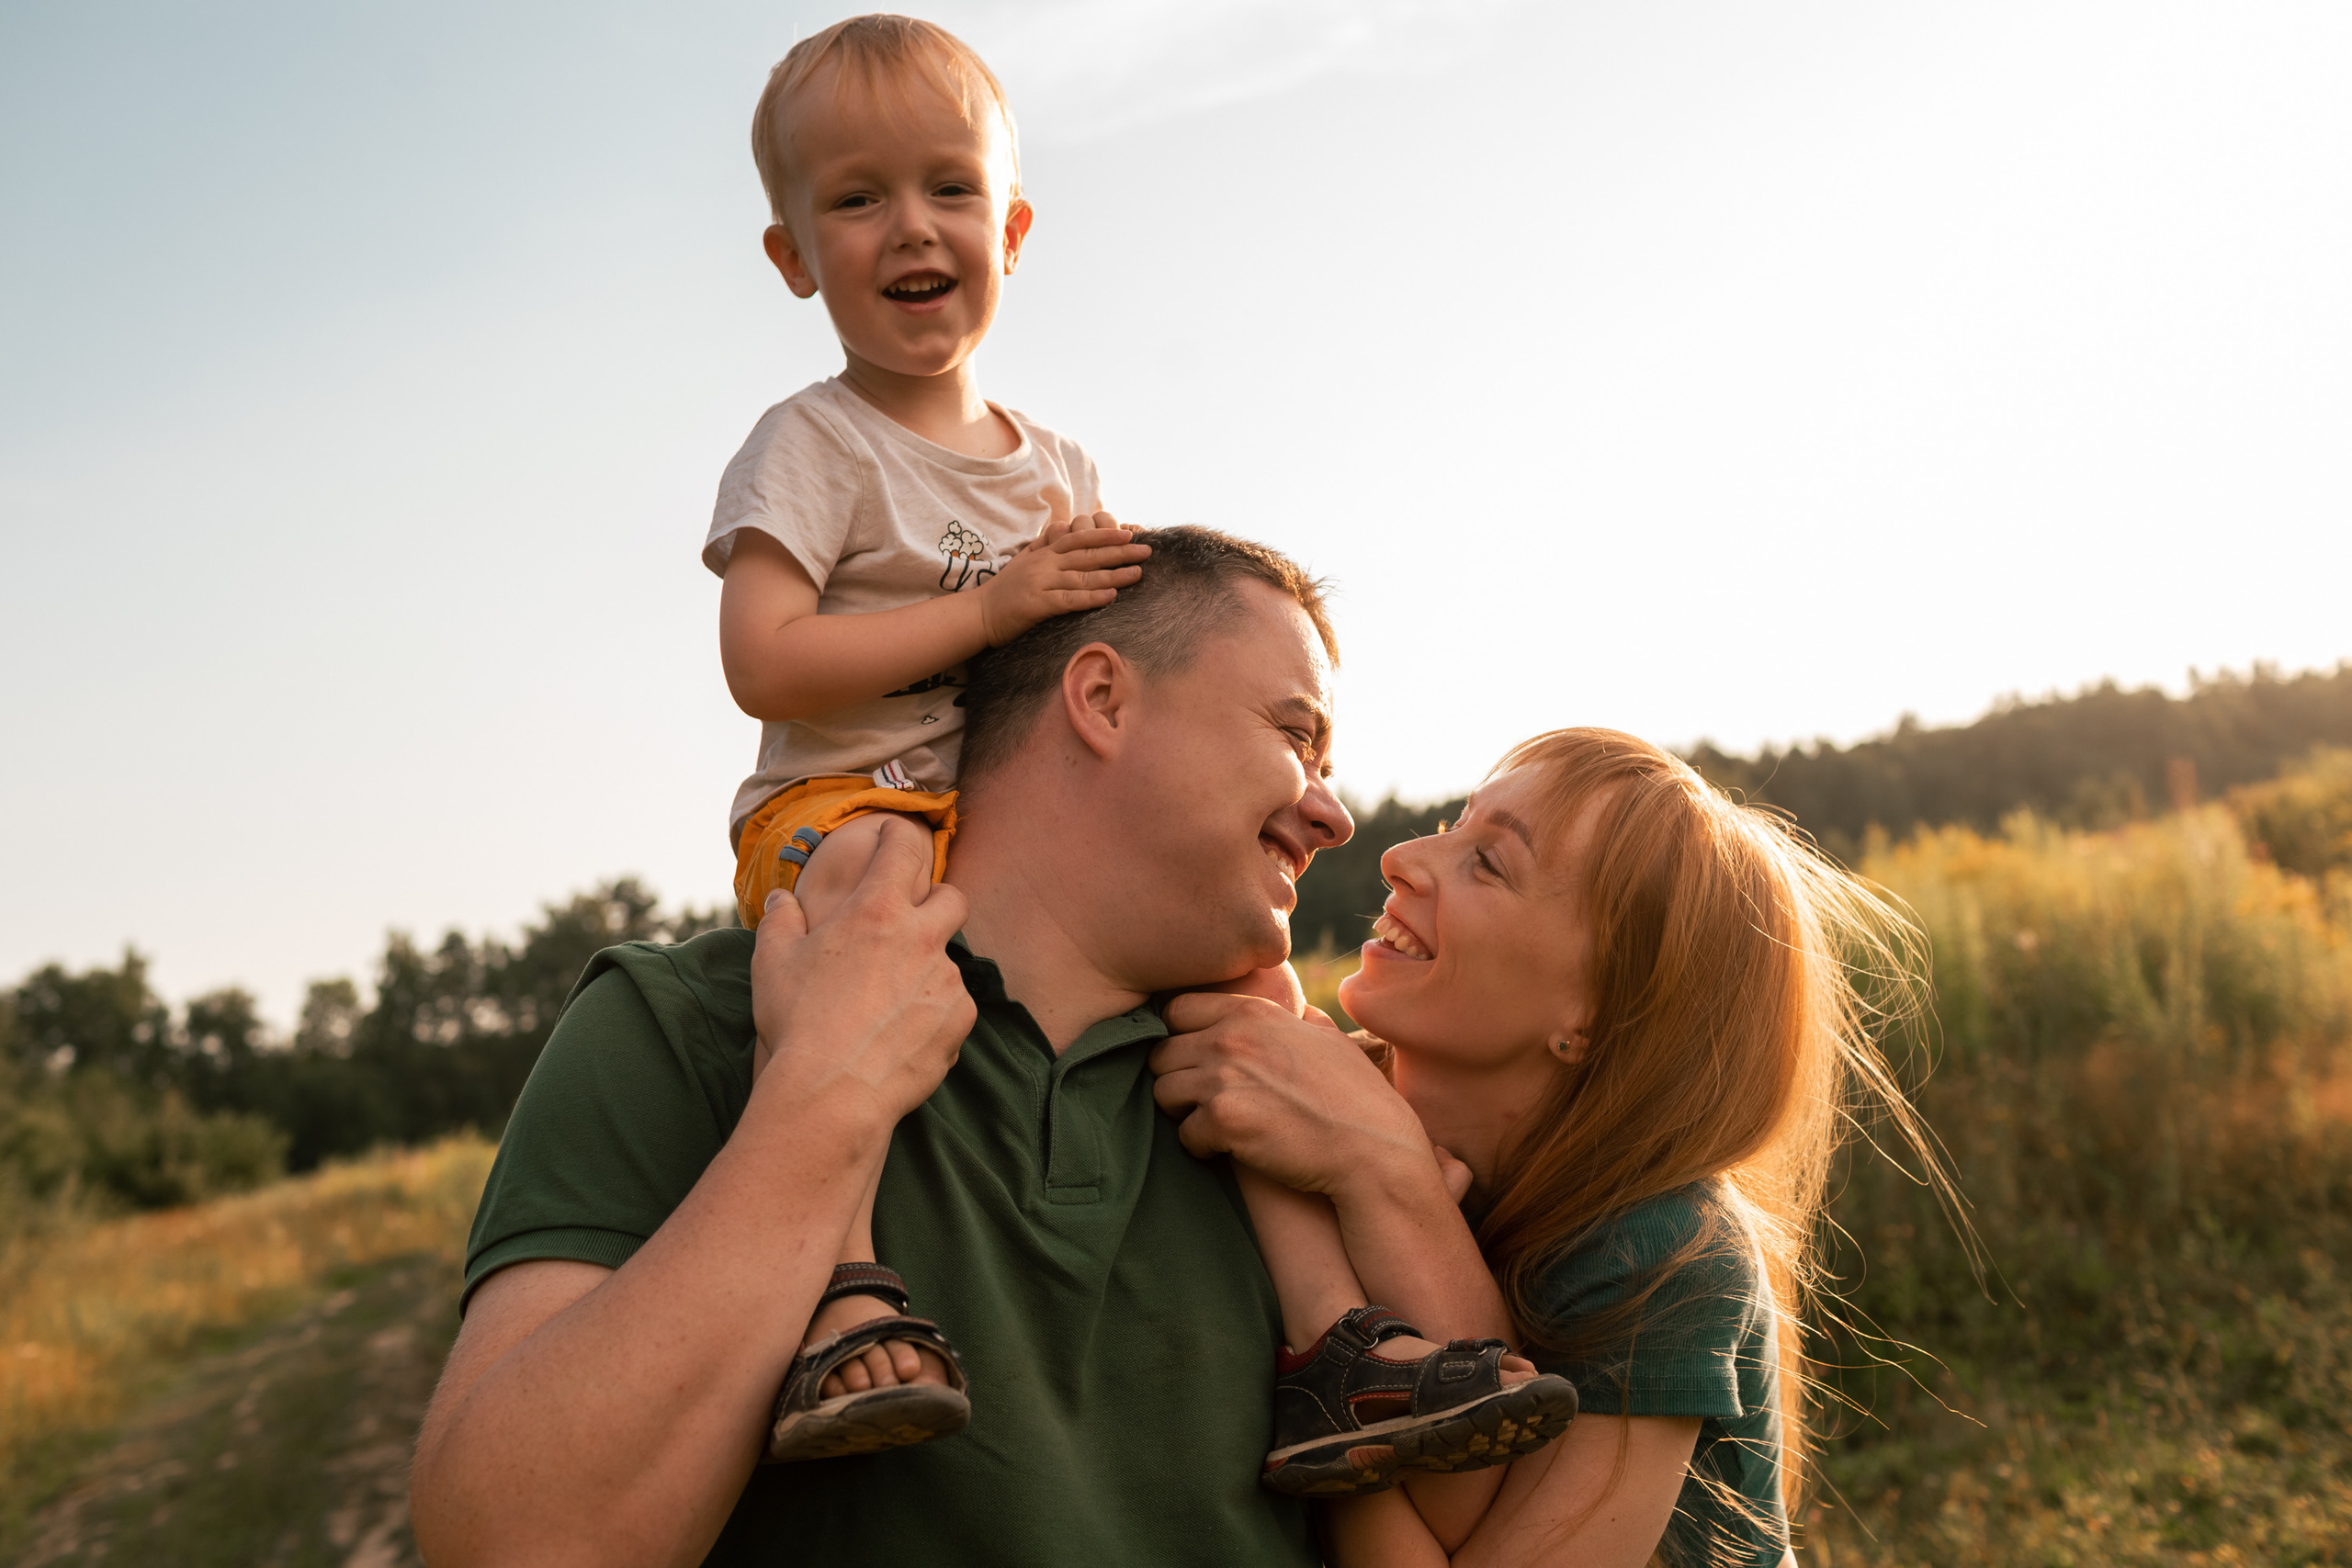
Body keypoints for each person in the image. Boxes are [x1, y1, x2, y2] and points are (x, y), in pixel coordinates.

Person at [412, 528, 1554, 1566]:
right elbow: (513, 1541)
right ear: (1101, 698)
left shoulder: (1315, 1109)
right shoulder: (692, 1021)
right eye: (1295, 737)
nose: (1332, 813)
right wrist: (820, 1101)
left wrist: (1388, 1173)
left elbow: (1489, 1527)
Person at [1150, 728, 1951, 1566]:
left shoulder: (1663, 1246)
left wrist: (1368, 1181)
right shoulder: (1314, 1096)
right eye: (1455, 825)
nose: (1402, 856)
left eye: (1488, 862)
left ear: (1594, 1014)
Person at [707, 15, 1149, 1455]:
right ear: (794, 258)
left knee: (1229, 969)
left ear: (1011, 228)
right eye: (857, 197)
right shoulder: (814, 444)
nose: (915, 226)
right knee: (869, 895)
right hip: (835, 806)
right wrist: (989, 610)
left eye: (951, 188)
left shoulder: (1060, 468)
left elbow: (1108, 670)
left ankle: (1340, 1324)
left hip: (1010, 827)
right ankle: (843, 1292)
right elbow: (762, 661)